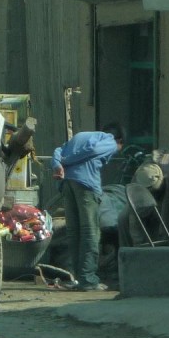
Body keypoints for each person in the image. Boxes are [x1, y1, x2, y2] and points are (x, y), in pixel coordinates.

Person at [52, 124, 124, 291]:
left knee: (74, 232)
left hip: (67, 184)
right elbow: (92, 151)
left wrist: (58, 164)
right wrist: (66, 161)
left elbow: (58, 150)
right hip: (86, 185)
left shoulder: (79, 136)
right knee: (90, 232)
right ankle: (89, 279)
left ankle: (78, 278)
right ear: (119, 140)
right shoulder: (109, 141)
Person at [117, 151, 169, 248]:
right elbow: (135, 217)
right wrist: (137, 248)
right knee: (123, 218)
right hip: (150, 192)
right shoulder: (142, 175)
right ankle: (125, 253)